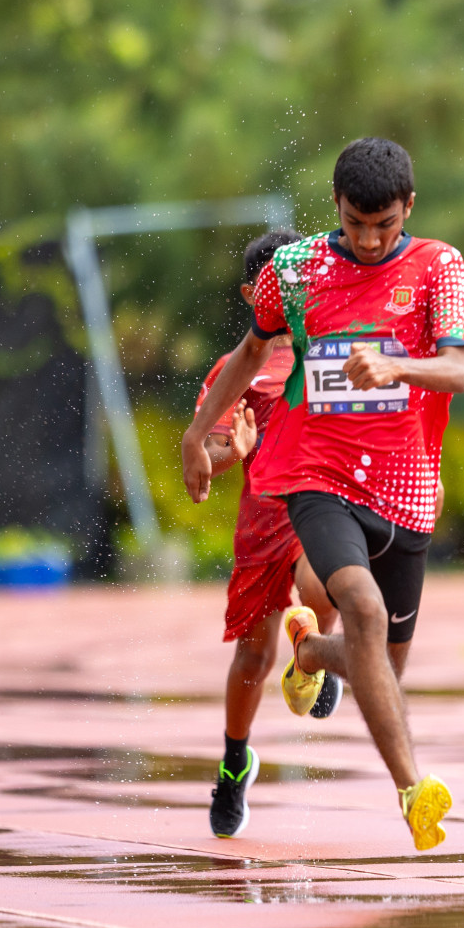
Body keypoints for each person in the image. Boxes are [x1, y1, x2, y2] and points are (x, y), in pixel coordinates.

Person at [182, 138, 464, 851]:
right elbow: (249, 356)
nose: (370, 239)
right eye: (355, 224)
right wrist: (203, 436)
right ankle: (411, 793)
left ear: (409, 207)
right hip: (308, 482)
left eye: (384, 224)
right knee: (352, 612)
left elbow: (457, 372)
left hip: (402, 489)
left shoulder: (438, 266)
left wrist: (393, 364)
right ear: (336, 207)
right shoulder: (296, 272)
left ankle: (315, 655)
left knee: (382, 662)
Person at [197, 229, 343, 839]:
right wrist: (232, 451)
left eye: (298, 283)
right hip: (263, 521)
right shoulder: (237, 368)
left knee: (332, 581)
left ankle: (317, 660)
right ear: (250, 293)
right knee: (253, 655)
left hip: (322, 507)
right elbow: (206, 452)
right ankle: (235, 764)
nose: (287, 295)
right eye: (273, 286)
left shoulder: (334, 349)